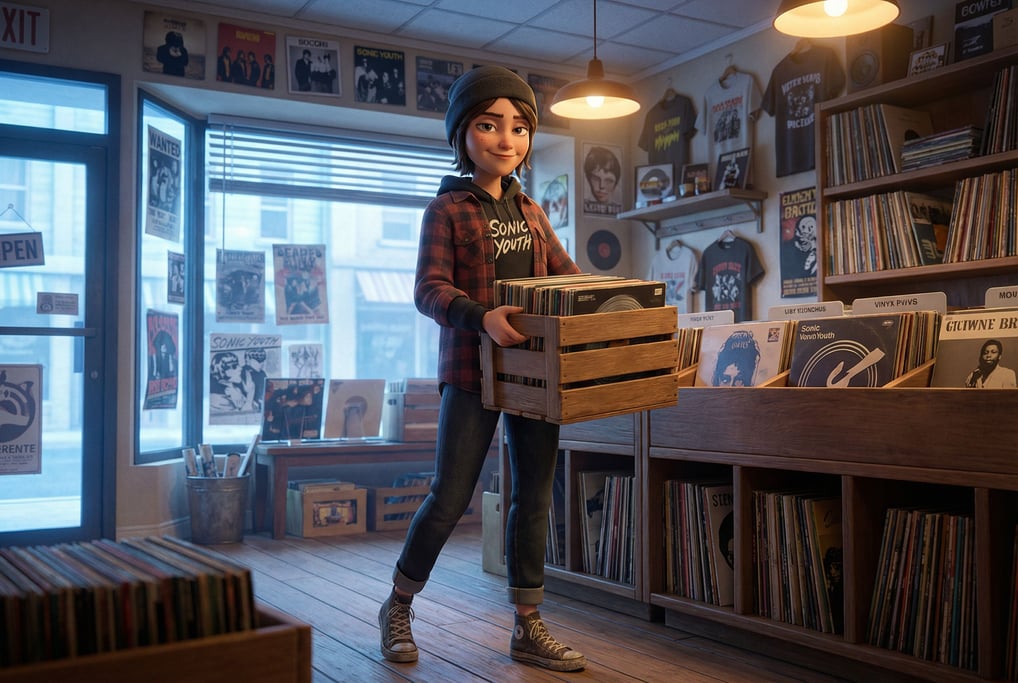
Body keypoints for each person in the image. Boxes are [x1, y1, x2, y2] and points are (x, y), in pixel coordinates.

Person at [378, 65, 586, 673]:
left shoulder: (533, 211)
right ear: (463, 133)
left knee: (533, 497)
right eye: (491, 125)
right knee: (449, 496)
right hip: (471, 373)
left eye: (520, 127)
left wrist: (607, 304)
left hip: (535, 377)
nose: (507, 139)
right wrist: (481, 315)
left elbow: (568, 280)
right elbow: (428, 290)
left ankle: (527, 626)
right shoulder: (445, 209)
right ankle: (397, 606)